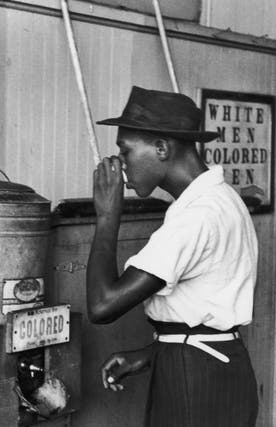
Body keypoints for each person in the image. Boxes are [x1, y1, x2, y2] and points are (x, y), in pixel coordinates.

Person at [86, 86, 259, 426]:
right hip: (213, 364)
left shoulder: (198, 216)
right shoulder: (219, 199)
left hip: (196, 378)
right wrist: (151, 355)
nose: (121, 165)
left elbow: (102, 305)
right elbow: (205, 311)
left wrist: (107, 217)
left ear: (162, 148)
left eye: (126, 151)